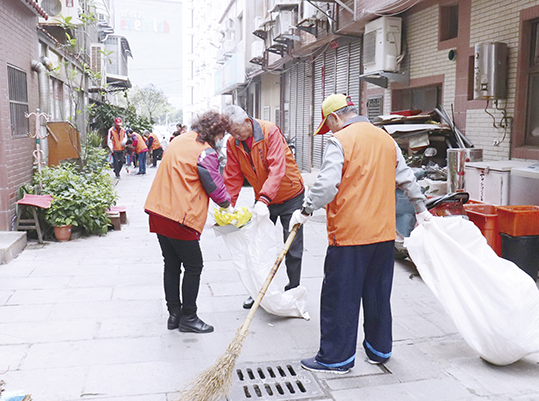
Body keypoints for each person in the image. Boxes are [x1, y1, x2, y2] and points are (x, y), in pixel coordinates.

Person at [289, 94, 431, 374]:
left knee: (340, 297)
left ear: (334, 118)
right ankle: (380, 350)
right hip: (383, 234)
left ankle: (335, 359)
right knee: (378, 294)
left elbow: (327, 185)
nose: (329, 130)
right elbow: (406, 177)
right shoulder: (385, 139)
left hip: (350, 236)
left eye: (328, 125)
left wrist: (305, 210)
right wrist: (421, 208)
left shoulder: (340, 140)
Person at [144, 110, 232, 333]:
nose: (222, 139)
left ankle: (174, 315)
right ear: (215, 132)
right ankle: (189, 317)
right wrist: (227, 206)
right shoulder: (205, 152)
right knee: (194, 266)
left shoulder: (179, 140)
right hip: (180, 217)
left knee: (171, 264)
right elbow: (214, 186)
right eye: (221, 134)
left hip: (158, 211)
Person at [222, 105, 305, 309]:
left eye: (236, 131)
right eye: (230, 133)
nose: (234, 136)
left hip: (290, 195)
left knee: (292, 248)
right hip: (263, 199)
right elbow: (232, 175)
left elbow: (277, 168)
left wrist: (264, 199)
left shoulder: (270, 131)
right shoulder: (234, 143)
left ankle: (293, 290)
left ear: (248, 122)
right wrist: (227, 207)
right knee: (257, 246)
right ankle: (258, 291)